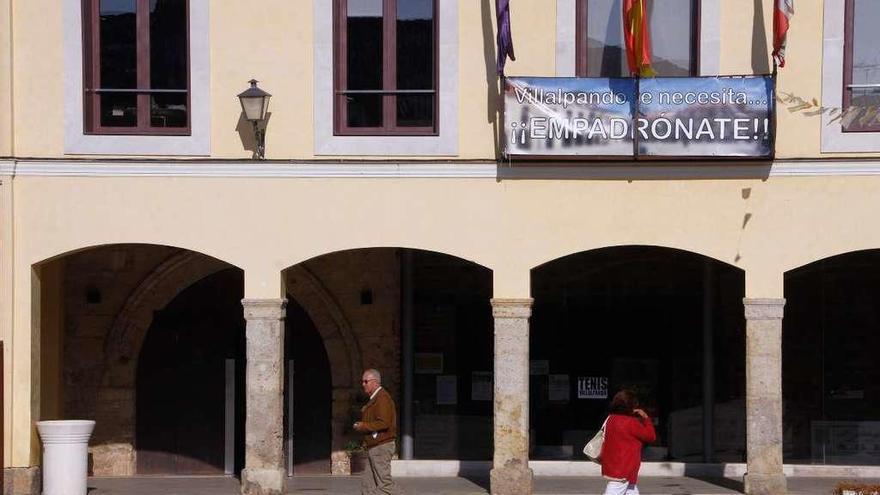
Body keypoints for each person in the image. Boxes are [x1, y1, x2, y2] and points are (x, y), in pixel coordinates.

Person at [600, 390, 657, 495]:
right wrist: (646, 418)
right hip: (625, 466)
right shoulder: (631, 423)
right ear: (631, 406)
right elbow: (651, 437)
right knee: (615, 489)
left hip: (612, 463)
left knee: (631, 489)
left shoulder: (610, 419)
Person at [353, 369, 401, 495]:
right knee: (368, 487)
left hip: (381, 446)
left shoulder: (382, 398)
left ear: (375, 382)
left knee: (385, 486)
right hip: (374, 446)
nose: (363, 384)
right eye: (362, 381)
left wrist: (363, 426)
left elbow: (384, 422)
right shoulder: (374, 399)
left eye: (366, 381)